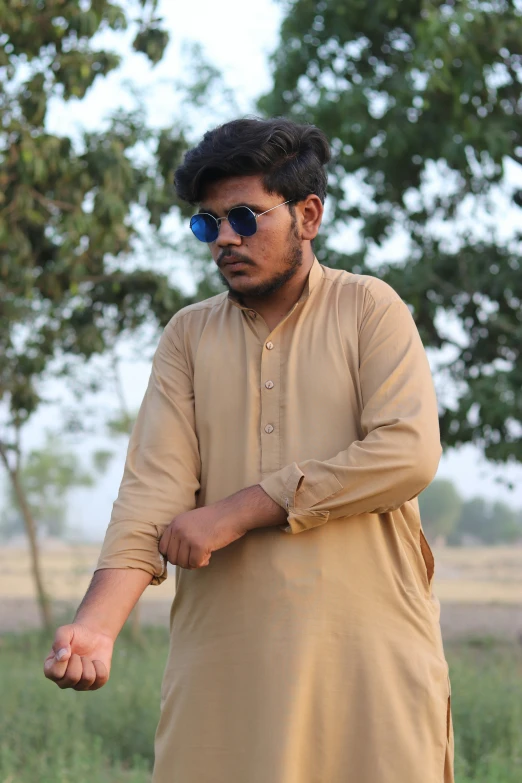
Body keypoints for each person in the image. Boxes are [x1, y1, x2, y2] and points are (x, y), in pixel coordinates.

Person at [44, 117, 454, 783]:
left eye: (243, 217)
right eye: (208, 225)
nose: (224, 239)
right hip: (224, 663)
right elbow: (153, 492)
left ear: (308, 215)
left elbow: (407, 452)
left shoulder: (369, 310)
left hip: (367, 662)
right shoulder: (188, 337)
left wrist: (242, 508)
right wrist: (96, 626)